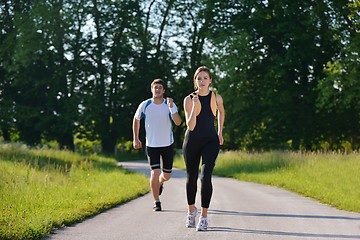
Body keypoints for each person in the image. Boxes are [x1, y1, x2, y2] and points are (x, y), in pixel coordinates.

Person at [182, 66, 225, 231]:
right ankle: (191, 212)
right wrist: (194, 106)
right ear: (195, 81)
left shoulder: (216, 97)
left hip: (210, 142)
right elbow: (191, 126)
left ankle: (204, 216)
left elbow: (221, 112)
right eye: (199, 78)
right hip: (192, 141)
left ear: (210, 80)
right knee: (191, 177)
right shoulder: (189, 99)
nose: (202, 81)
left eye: (205, 78)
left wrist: (220, 131)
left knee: (205, 176)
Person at [133, 79, 182, 211]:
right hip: (152, 145)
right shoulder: (145, 105)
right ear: (151, 89)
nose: (157, 90)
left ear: (164, 90)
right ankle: (156, 201)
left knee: (166, 176)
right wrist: (135, 138)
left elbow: (178, 122)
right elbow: (136, 119)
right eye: (155, 87)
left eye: (160, 88)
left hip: (167, 145)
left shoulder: (169, 104)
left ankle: (160, 183)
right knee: (154, 173)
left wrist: (172, 109)